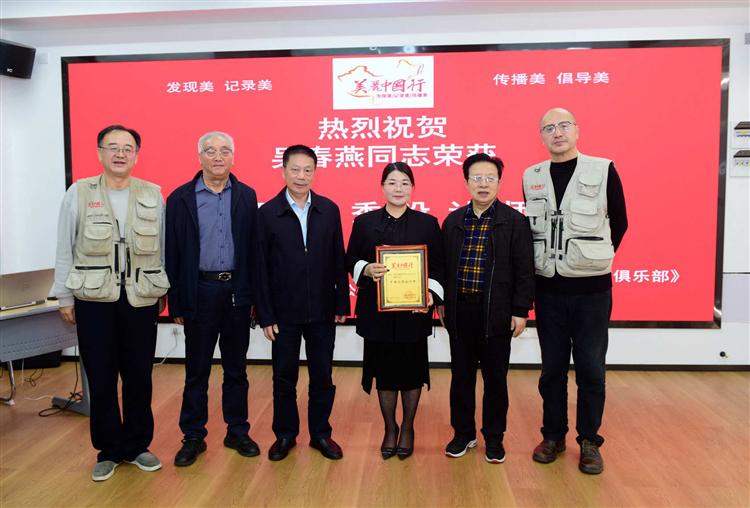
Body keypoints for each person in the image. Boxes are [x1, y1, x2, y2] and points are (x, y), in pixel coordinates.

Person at [54, 125, 168, 481]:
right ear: (100, 152)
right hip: (94, 299)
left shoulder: (153, 194)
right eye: (113, 147)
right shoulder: (79, 192)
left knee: (139, 376)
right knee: (101, 376)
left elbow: (162, 248)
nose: (120, 153)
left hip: (140, 298)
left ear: (137, 154)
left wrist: (161, 292)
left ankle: (137, 445)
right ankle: (108, 449)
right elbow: (65, 247)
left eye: (128, 148)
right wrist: (64, 295)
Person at [522, 107, 628, 475]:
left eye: (563, 125)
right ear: (541, 136)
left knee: (591, 369)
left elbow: (620, 222)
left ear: (577, 130)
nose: (557, 133)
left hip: (592, 292)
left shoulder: (603, 169)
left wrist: (587, 258)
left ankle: (589, 441)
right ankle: (552, 436)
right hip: (548, 290)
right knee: (551, 369)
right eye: (549, 127)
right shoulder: (531, 176)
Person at [165, 131, 261, 467]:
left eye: (224, 151)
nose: (217, 157)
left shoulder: (247, 195)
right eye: (210, 151)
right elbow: (172, 252)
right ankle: (193, 435)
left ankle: (237, 430)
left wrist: (254, 297)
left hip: (236, 291)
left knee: (236, 368)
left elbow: (253, 250)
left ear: (233, 156)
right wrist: (176, 300)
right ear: (199, 157)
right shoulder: (180, 198)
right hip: (200, 290)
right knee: (197, 369)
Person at [439, 153, 535, 464]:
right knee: (461, 378)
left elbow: (525, 270)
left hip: (497, 313)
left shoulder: (514, 221)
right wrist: (441, 303)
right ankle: (463, 433)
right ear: (466, 182)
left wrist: (521, 310)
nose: (483, 184)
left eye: (490, 178)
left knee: (495, 379)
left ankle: (494, 438)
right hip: (460, 312)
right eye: (477, 178)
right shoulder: (453, 221)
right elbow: (441, 268)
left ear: (499, 182)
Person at [256, 144, 350, 461]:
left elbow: (338, 259)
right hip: (283, 313)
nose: (301, 176)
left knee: (322, 377)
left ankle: (321, 434)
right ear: (283, 171)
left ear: (315, 173)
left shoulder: (329, 210)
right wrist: (265, 314)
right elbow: (260, 268)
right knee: (284, 377)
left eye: (307, 170)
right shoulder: (267, 213)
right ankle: (285, 435)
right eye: (295, 169)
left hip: (322, 310)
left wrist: (341, 304)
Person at [345, 162, 445, 460]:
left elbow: (439, 265)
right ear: (382, 187)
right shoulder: (365, 222)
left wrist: (430, 294)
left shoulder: (427, 223)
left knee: (412, 373)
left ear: (412, 187)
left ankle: (409, 427)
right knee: (385, 373)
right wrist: (366, 269)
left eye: (404, 183)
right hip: (378, 314)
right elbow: (350, 258)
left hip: (413, 312)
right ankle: (390, 427)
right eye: (392, 182)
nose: (398, 188)